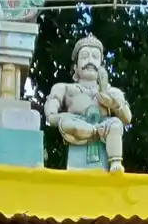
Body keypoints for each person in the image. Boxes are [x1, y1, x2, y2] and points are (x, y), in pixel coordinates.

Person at [43, 34, 132, 171]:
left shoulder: (111, 91)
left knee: (115, 124)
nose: (90, 61)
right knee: (67, 122)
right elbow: (51, 114)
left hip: (105, 127)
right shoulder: (65, 88)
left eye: (95, 57)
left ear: (101, 65)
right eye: (85, 57)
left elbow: (127, 118)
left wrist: (113, 103)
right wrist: (61, 117)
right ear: (76, 67)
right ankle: (93, 131)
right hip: (77, 127)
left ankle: (115, 162)